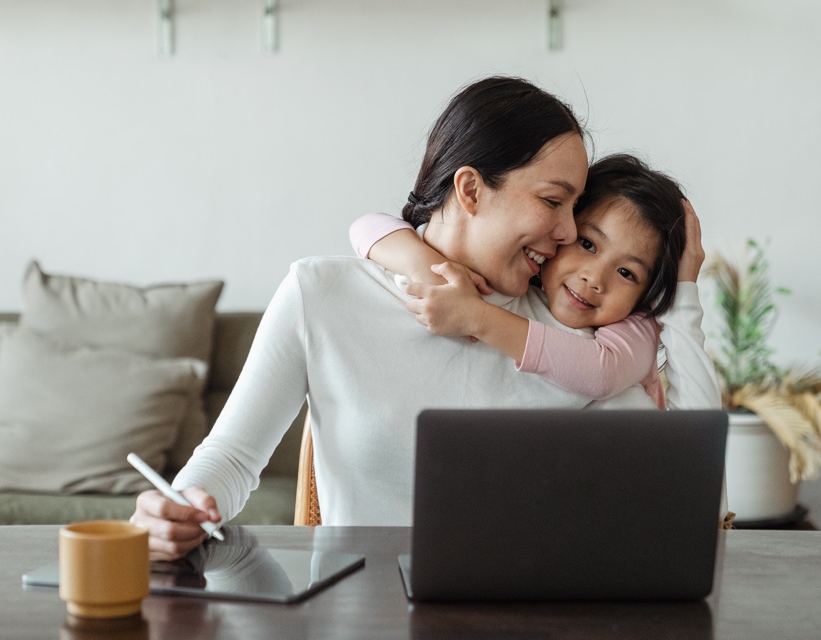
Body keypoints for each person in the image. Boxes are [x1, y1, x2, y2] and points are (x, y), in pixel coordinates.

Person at [131, 76, 720, 560]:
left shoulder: (579, 335)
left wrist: (685, 293)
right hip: (360, 618)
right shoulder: (322, 294)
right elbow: (232, 458)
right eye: (551, 201)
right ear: (470, 189)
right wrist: (179, 505)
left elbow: (689, 487)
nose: (568, 233)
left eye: (575, 208)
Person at [349, 154, 695, 407]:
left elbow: (601, 373)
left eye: (626, 273)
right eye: (587, 244)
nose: (594, 278)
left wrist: (477, 317)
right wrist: (427, 266)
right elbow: (366, 225)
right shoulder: (523, 279)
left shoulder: (637, 325)